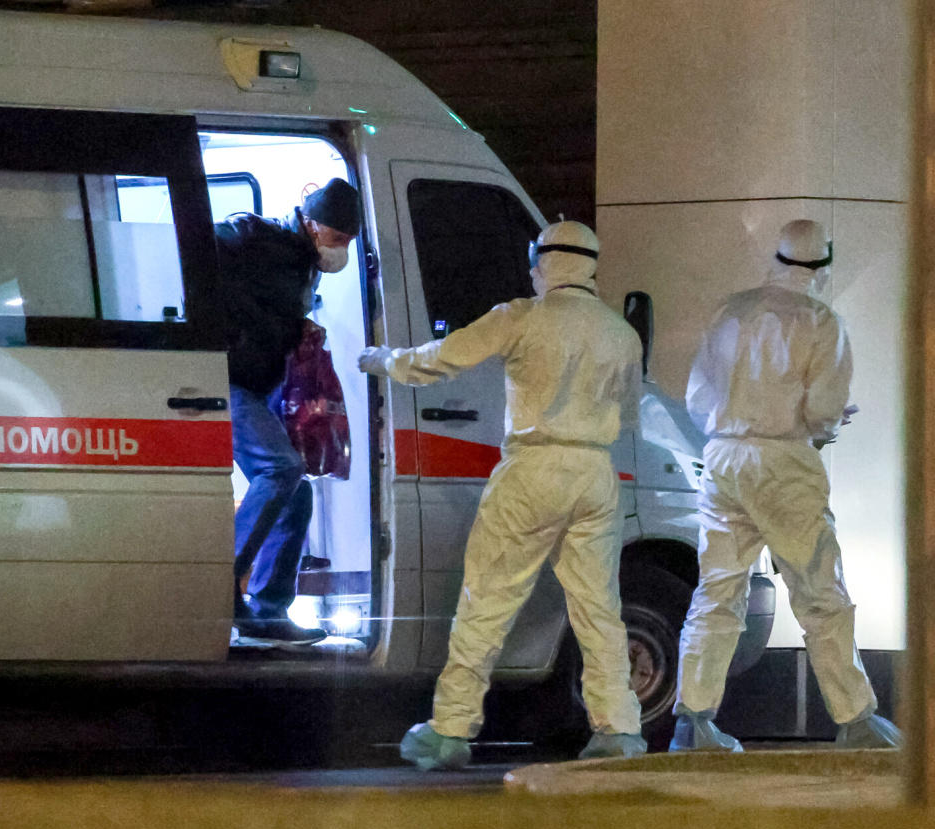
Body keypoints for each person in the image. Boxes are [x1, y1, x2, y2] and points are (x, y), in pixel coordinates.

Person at [359, 221, 647, 769]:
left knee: (487, 601)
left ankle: (450, 730)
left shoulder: (520, 316)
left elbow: (440, 358)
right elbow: (629, 414)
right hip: (595, 473)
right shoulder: (621, 333)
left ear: (544, 261)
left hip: (531, 470)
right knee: (599, 610)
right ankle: (619, 729)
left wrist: (383, 360)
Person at [672, 219, 901, 751]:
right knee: (820, 591)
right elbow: (822, 410)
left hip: (723, 459)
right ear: (823, 265)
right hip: (785, 464)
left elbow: (698, 397)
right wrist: (821, 425)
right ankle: (856, 719)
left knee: (716, 592)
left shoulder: (731, 310)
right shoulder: (822, 321)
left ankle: (693, 722)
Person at [217, 177, 361, 646]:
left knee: (297, 492)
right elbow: (198, 258)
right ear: (313, 223)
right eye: (338, 237)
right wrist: (244, 327)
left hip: (259, 386)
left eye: (349, 241)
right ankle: (215, 582)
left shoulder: (304, 260)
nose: (341, 249)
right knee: (281, 468)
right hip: (225, 379)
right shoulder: (253, 237)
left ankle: (268, 612)